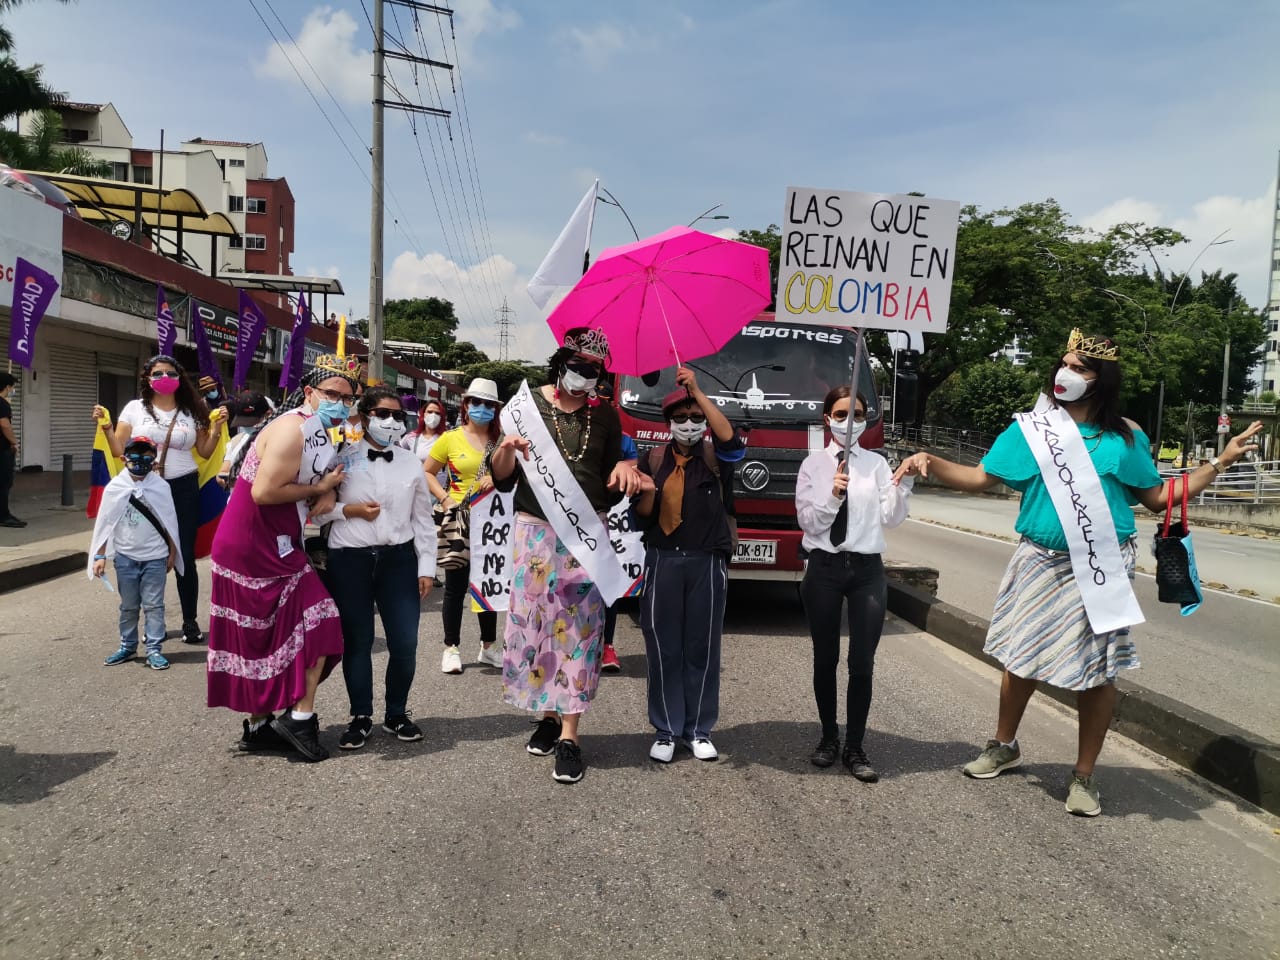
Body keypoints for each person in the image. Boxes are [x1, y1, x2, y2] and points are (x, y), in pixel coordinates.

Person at [893, 329, 1264, 816]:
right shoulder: (1030, 431)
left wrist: (1220, 461)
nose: (1066, 373)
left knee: (1097, 671)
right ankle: (1003, 745)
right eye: (1064, 363)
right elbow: (981, 477)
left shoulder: (1124, 438)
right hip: (1038, 561)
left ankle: (1084, 775)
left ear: (1100, 380)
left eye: (1080, 367)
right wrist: (932, 462)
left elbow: (1158, 499)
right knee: (1020, 658)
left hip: (1101, 565)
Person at [490, 328, 644, 784]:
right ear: (559, 362)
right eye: (577, 366)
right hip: (535, 532)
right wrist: (505, 449)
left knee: (579, 630)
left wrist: (622, 468)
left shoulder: (607, 416)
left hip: (585, 534)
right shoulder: (523, 409)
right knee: (535, 627)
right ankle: (548, 715)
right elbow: (501, 479)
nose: (584, 376)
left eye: (594, 371)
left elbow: (613, 473)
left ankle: (570, 735)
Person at [205, 357, 358, 762]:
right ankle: (299, 719)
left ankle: (259, 726)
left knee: (270, 633)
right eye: (332, 394)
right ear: (310, 393)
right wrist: (323, 484)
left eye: (347, 397)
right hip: (252, 540)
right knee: (321, 619)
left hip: (279, 538)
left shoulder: (320, 430)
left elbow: (310, 491)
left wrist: (326, 491)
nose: (340, 403)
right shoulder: (293, 429)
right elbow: (264, 492)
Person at [796, 386, 912, 782]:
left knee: (862, 662)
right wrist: (832, 494)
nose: (850, 421)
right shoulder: (813, 465)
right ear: (827, 418)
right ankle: (829, 737)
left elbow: (891, 517)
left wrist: (904, 484)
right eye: (842, 414)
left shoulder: (876, 464)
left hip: (866, 570)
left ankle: (856, 746)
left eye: (858, 414)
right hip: (825, 568)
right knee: (825, 658)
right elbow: (809, 523)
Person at [314, 386, 437, 750]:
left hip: (398, 559)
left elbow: (424, 520)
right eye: (383, 413)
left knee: (405, 642)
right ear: (365, 416)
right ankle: (360, 716)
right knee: (358, 642)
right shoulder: (341, 459)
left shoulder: (411, 462)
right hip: (349, 559)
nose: (391, 421)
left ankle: (396, 713)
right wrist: (347, 511)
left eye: (398, 416)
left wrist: (426, 566)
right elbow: (315, 508)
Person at [632, 368, 742, 763]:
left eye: (696, 418)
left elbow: (730, 439)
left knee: (703, 647)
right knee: (663, 645)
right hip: (663, 560)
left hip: (706, 561)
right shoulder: (653, 458)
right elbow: (640, 518)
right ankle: (665, 728)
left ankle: (698, 729)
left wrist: (698, 391)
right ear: (668, 423)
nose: (689, 425)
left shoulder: (716, 458)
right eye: (681, 418)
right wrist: (645, 492)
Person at [92, 355, 227, 644]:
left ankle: (190, 621)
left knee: (184, 556)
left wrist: (215, 428)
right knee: (150, 556)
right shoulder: (134, 409)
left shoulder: (193, 410)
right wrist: (105, 426)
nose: (164, 377)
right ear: (147, 378)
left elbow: (204, 451)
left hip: (184, 488)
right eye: (157, 373)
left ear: (180, 378)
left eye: (170, 372)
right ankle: (153, 625)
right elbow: (119, 449)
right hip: (146, 488)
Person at [424, 378, 503, 674]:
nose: (482, 409)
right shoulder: (450, 438)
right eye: (476, 403)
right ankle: (451, 647)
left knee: (489, 586)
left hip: (493, 524)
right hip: (459, 521)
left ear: (495, 410)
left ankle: (488, 647)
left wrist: (497, 479)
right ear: (466, 405)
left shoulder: (502, 440)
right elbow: (428, 472)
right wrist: (445, 498)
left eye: (488, 405)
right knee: (456, 588)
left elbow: (517, 475)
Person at [88, 436, 181, 671]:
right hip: (125, 557)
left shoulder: (161, 487)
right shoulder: (115, 488)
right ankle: (128, 646)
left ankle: (154, 649)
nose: (140, 463)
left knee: (154, 605)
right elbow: (105, 524)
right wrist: (100, 556)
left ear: (154, 461)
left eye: (147, 458)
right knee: (128, 606)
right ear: (124, 459)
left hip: (155, 557)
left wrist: (171, 552)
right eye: (135, 457)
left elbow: (169, 521)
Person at [593, 379, 638, 674]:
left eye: (608, 401)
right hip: (577, 521)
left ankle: (607, 645)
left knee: (609, 586)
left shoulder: (625, 441)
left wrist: (624, 468)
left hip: (611, 520)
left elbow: (631, 479)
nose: (601, 406)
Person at [218, 391, 272, 486]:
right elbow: (224, 469)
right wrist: (223, 478)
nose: (246, 427)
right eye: (242, 423)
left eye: (251, 423)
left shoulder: (277, 443)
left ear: (268, 414)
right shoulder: (236, 441)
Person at [399, 396, 447, 464]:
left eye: (437, 413)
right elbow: (398, 452)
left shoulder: (447, 438)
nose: (433, 415)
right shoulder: (412, 437)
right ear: (423, 414)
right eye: (430, 412)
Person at [0, 372, 21, 528]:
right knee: (4, 483)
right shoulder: (2, 404)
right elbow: (4, 425)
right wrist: (14, 442)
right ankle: (3, 516)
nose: (12, 390)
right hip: (2, 451)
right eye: (12, 387)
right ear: (7, 387)